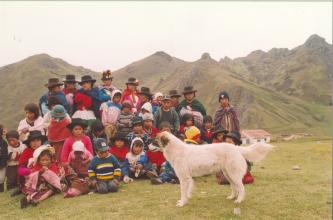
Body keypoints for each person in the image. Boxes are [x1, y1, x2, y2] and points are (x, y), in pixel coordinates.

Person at [0, 124, 8, 192]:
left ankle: (1, 190)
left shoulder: (3, 143)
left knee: (1, 179)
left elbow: (5, 155)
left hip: (1, 165)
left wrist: (2, 164)